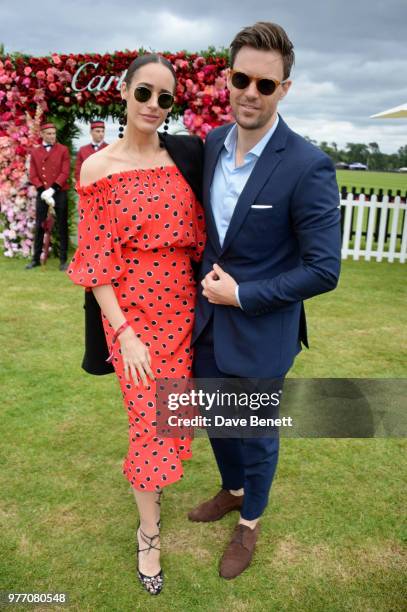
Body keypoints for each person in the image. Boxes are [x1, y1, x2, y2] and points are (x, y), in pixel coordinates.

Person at [190, 21, 341, 580]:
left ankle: (250, 522)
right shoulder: (210, 145)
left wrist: (243, 294)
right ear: (227, 80)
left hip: (262, 330)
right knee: (213, 420)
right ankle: (232, 491)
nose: (251, 92)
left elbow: (324, 270)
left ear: (284, 89)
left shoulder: (307, 165)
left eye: (266, 84)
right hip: (204, 325)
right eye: (241, 78)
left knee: (255, 432)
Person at [66, 54, 206, 596]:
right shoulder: (97, 168)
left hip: (184, 311)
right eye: (144, 93)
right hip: (132, 318)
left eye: (164, 98)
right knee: (147, 421)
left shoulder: (184, 158)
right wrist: (122, 332)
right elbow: (95, 262)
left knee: (172, 415)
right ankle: (149, 535)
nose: (153, 105)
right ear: (124, 93)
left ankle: (155, 494)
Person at [26, 121, 71, 271]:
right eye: (49, 134)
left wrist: (52, 190)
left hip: (59, 193)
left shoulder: (63, 150)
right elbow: (32, 175)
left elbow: (65, 172)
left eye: (54, 133)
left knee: (62, 226)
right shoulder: (35, 152)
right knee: (39, 225)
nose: (52, 136)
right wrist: (43, 191)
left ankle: (63, 260)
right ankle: (35, 259)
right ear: (42, 135)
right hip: (42, 194)